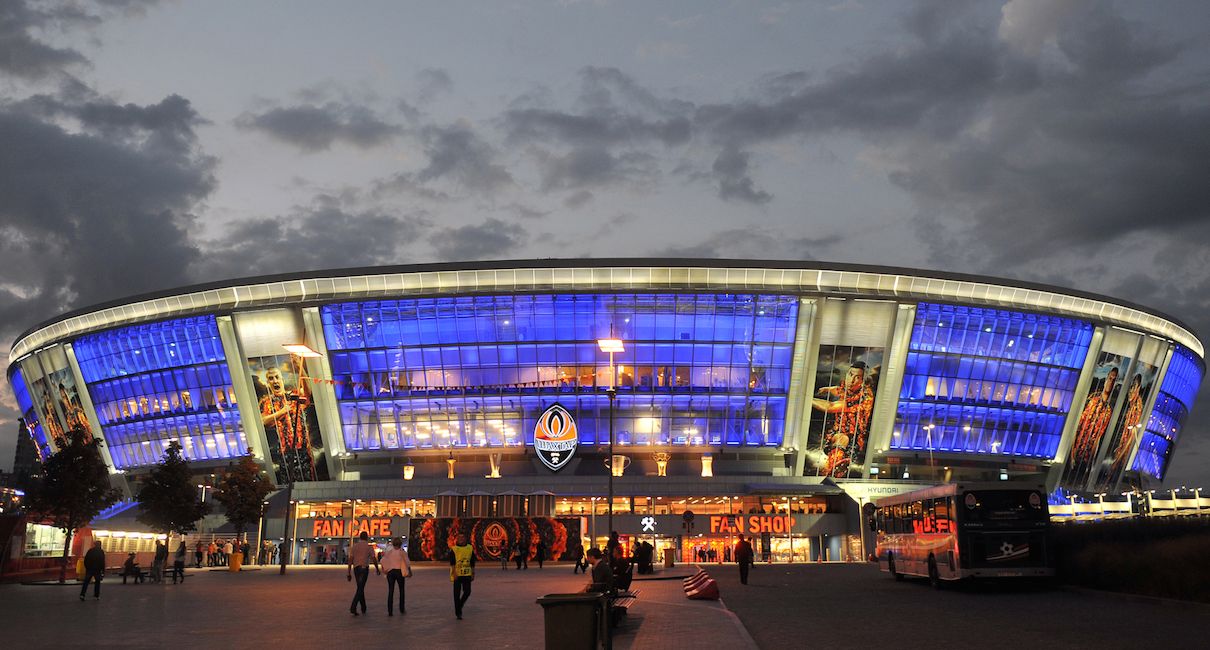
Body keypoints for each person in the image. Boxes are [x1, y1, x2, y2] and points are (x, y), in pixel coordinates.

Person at [813, 361, 876, 478]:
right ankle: (832, 468)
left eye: (857, 378)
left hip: (854, 435)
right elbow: (839, 389)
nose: (851, 380)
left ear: (863, 381)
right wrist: (827, 389)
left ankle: (835, 469)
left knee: (842, 440)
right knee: (836, 439)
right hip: (839, 428)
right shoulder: (850, 388)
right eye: (850, 374)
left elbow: (830, 407)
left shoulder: (864, 396)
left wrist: (808, 399)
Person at [347, 531, 381, 616]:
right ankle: (353, 607)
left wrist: (348, 572)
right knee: (361, 587)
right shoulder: (369, 547)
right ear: (367, 537)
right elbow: (374, 558)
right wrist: (377, 569)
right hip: (364, 568)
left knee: (360, 586)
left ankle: (363, 607)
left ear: (360, 537)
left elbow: (350, 559)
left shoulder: (354, 547)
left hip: (356, 569)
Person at [381, 536, 412, 616]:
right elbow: (407, 563)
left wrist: (384, 570)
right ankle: (401, 608)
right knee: (401, 590)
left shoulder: (389, 552)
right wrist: (410, 571)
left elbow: (383, 561)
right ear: (400, 544)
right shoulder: (402, 552)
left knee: (390, 591)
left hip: (390, 572)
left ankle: (390, 610)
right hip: (399, 572)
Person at [449, 532, 475, 619]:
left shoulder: (470, 548)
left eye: (462, 538)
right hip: (457, 574)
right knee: (456, 594)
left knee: (467, 591)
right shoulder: (454, 549)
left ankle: (460, 604)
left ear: (465, 539)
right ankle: (458, 613)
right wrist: (454, 573)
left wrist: (473, 573)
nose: (461, 539)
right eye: (459, 538)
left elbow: (472, 562)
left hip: (467, 573)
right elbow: (452, 563)